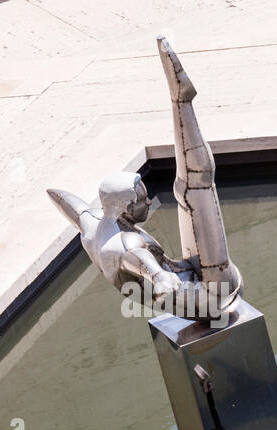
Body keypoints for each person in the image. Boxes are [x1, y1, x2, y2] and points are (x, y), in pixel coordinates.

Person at [47, 36, 241, 320]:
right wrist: (160, 277)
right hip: (213, 298)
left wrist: (54, 194)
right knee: (196, 186)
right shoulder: (125, 246)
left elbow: (76, 210)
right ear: (123, 207)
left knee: (189, 189)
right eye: (140, 200)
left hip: (187, 277)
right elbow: (139, 260)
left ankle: (181, 102)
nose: (148, 202)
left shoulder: (96, 226)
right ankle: (181, 102)